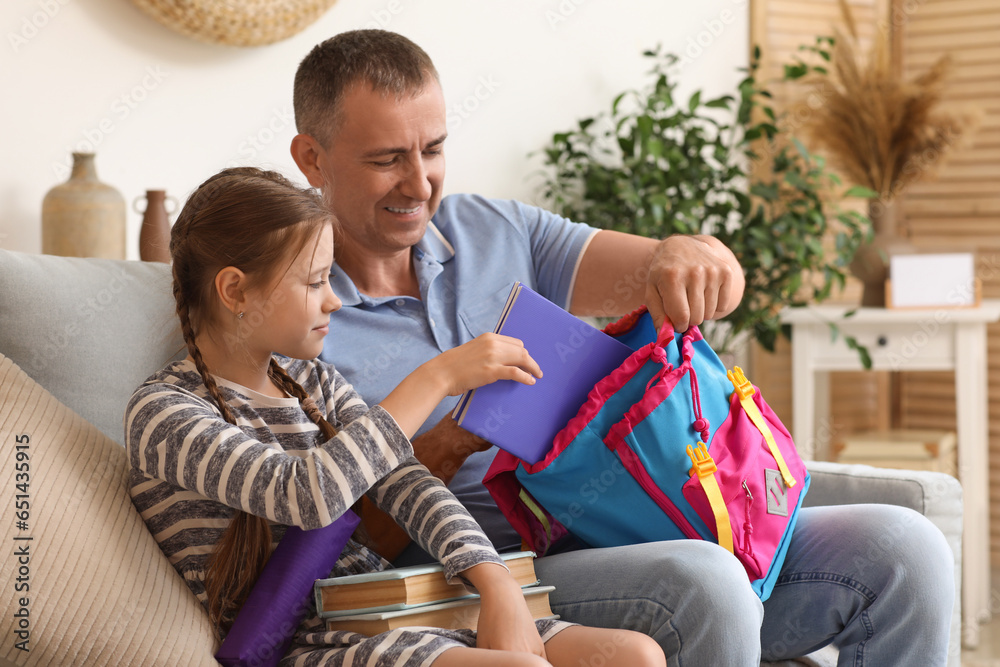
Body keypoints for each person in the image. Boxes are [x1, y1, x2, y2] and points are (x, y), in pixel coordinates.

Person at [289, 29, 956, 666]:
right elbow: (333, 542)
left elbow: (676, 271)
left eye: (432, 149)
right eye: (386, 160)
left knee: (905, 548)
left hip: (614, 519)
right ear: (311, 156)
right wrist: (452, 440)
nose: (419, 182)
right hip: (476, 571)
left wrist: (695, 255)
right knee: (708, 578)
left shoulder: (494, 229)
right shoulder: (297, 311)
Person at [124, 167, 665, 667]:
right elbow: (306, 494)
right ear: (235, 290)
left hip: (384, 608)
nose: (334, 301)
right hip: (313, 644)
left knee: (636, 655)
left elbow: (406, 483)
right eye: (315, 282)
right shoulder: (165, 415)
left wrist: (495, 582)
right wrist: (437, 378)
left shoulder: (312, 383)